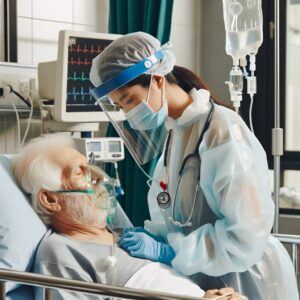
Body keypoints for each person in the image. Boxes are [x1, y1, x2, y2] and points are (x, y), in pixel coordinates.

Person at [89, 31, 299, 300]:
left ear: (157, 79)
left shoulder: (221, 131)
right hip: (208, 274)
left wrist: (169, 250)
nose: (129, 114)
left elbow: (244, 236)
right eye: (120, 106)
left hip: (248, 277)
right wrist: (160, 238)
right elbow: (177, 215)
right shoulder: (177, 131)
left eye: (128, 99)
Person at [12, 133, 243, 300]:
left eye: (90, 166)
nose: (99, 178)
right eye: (79, 172)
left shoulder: (123, 236)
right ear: (50, 199)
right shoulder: (60, 252)